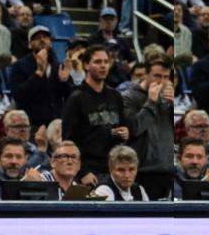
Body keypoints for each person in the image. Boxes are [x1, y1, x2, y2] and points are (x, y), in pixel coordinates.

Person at [61, 45, 127, 181]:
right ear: (86, 65)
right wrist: (83, 172)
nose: (103, 66)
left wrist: (125, 132)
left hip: (113, 168)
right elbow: (68, 142)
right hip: (89, 170)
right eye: (97, 62)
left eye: (106, 62)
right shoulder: (76, 98)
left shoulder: (115, 96)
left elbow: (122, 127)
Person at [123, 55, 175, 199]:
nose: (162, 81)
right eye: (157, 76)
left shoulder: (167, 98)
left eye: (166, 77)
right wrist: (151, 102)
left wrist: (172, 106)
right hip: (143, 171)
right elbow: (135, 129)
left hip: (167, 168)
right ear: (145, 74)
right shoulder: (129, 97)